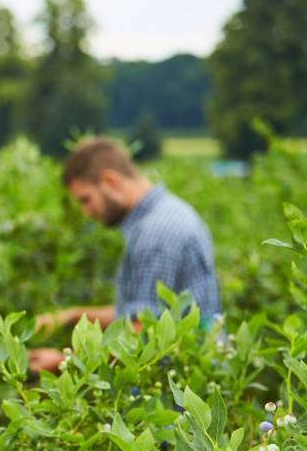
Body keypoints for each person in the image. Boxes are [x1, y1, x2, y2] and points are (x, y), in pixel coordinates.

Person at [27, 137, 221, 374]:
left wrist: (63, 362)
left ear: (110, 182)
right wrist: (72, 316)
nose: (86, 212)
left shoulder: (154, 234)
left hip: (180, 393)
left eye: (86, 200)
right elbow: (143, 310)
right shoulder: (169, 212)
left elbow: (141, 334)